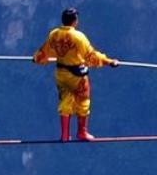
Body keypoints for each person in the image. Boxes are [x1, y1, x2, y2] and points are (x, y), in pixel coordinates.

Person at [33, 8, 119, 142]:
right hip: (77, 76)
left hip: (61, 74)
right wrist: (109, 62)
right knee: (83, 101)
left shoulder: (54, 34)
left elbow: (43, 52)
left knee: (65, 100)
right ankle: (82, 132)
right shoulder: (78, 37)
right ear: (75, 21)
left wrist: (37, 58)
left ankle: (65, 135)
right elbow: (91, 56)